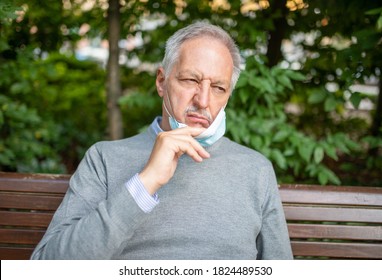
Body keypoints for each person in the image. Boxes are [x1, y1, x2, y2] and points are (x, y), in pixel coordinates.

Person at [31, 21, 293, 260]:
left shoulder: (255, 169)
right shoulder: (104, 159)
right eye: (191, 80)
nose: (203, 101)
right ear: (161, 82)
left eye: (218, 88)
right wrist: (144, 184)